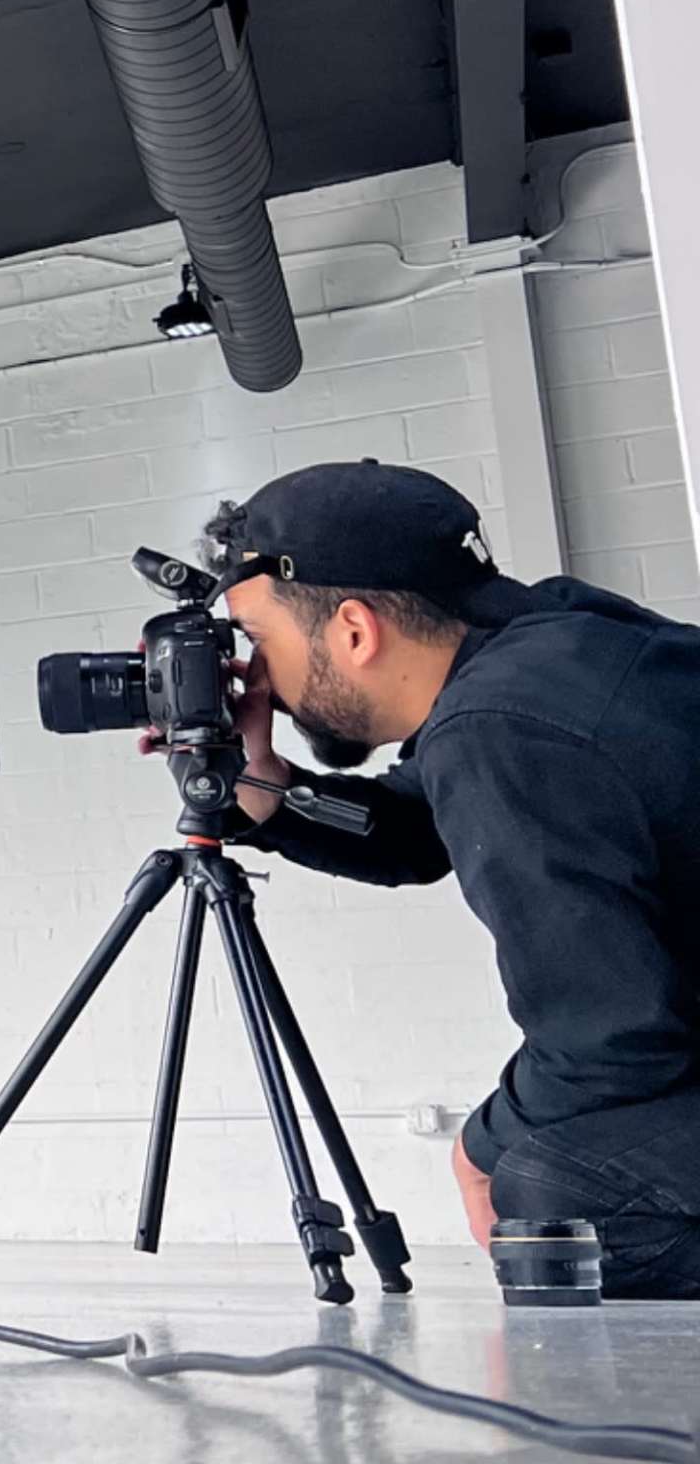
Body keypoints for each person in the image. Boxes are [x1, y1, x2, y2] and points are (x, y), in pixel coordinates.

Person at [205, 459, 700, 1297]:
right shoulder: (554, 639)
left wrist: (480, 1148)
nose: (257, 683)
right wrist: (263, 789)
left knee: (560, 1194)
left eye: (259, 642)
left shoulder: (496, 728)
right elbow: (416, 829)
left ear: (354, 632)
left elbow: (611, 1043)